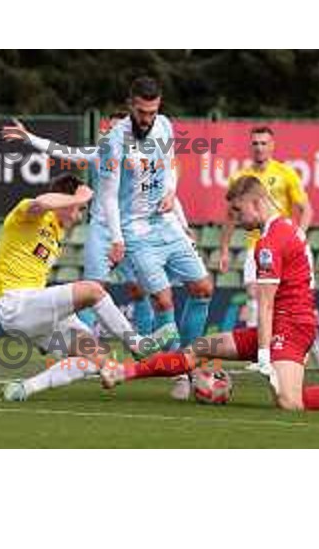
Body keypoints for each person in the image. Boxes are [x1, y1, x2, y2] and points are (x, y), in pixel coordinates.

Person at [101, 176, 319, 415]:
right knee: (198, 349)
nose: (237, 219)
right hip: (286, 325)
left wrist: (265, 354)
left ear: (256, 203)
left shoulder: (269, 244)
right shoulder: (285, 227)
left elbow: (266, 303)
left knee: (289, 402)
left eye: (239, 211)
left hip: (291, 328)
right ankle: (123, 372)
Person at [1, 110, 190, 337]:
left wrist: (183, 223)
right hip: (102, 230)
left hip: (132, 229)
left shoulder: (145, 160)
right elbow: (64, 151)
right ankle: (86, 340)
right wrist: (29, 138)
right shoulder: (101, 153)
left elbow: (165, 191)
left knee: (141, 290)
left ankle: (147, 344)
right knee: (93, 287)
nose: (112, 133)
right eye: (109, 129)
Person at [0, 173, 163, 402]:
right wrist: (78, 196)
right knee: (92, 290)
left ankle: (24, 389)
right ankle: (136, 343)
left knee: (98, 358)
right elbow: (43, 202)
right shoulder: (27, 216)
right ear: (65, 200)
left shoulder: (57, 232)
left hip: (35, 314)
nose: (80, 216)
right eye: (79, 208)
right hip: (15, 304)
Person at [101, 76, 213, 400]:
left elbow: (170, 166)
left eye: (152, 112)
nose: (147, 119)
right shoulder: (113, 141)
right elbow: (108, 196)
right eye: (141, 112)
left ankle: (188, 358)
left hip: (165, 222)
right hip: (135, 230)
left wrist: (172, 194)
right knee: (163, 300)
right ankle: (181, 371)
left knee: (203, 289)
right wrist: (117, 239)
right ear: (129, 105)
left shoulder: (164, 126)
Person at [219, 126, 319, 371]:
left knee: (292, 301)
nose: (259, 147)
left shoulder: (286, 173)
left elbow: (306, 209)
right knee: (256, 296)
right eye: (255, 143)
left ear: (272, 146)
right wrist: (225, 249)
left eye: (264, 143)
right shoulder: (241, 178)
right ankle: (262, 353)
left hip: (284, 244)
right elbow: (230, 216)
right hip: (255, 246)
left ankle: (303, 347)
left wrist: (299, 235)